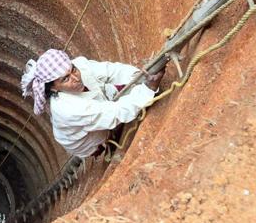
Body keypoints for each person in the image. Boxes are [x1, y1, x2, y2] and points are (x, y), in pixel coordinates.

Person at [20, 49, 164, 158]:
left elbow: (111, 71)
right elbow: (115, 114)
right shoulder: (68, 109)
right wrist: (148, 89)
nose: (75, 78)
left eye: (73, 70)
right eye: (65, 79)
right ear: (53, 87)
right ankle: (106, 145)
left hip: (93, 107)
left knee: (116, 89)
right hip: (85, 142)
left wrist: (139, 75)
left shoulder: (80, 66)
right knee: (106, 128)